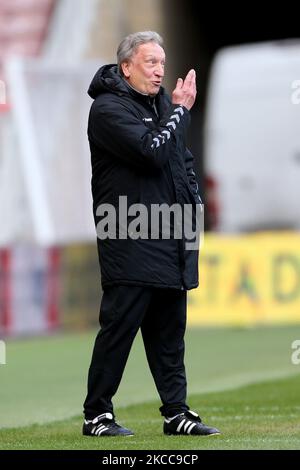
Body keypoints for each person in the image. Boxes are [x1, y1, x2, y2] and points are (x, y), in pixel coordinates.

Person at [83, 31, 220, 437]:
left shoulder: (163, 104)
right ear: (126, 68)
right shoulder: (108, 110)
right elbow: (152, 151)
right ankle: (97, 415)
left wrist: (193, 204)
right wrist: (180, 112)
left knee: (169, 332)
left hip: (171, 233)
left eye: (162, 62)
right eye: (150, 62)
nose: (160, 70)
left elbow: (181, 160)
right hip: (127, 231)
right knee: (119, 329)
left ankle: (176, 412)